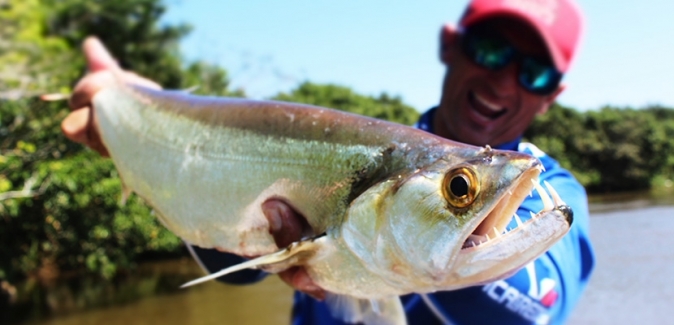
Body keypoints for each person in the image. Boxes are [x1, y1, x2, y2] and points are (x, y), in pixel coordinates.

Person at [62, 0, 594, 324]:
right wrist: (139, 131)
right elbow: (237, 272)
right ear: (451, 45)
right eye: (492, 51)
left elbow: (536, 311)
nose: (504, 81)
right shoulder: (360, 148)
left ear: (555, 95)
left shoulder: (552, 190)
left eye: (535, 73)